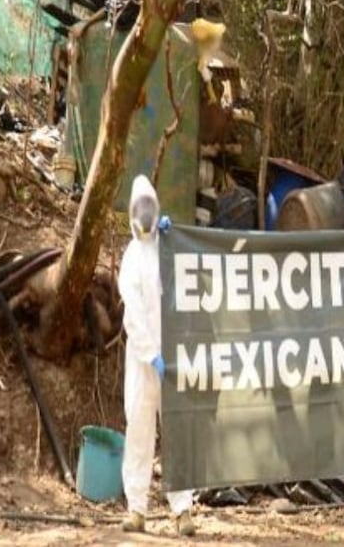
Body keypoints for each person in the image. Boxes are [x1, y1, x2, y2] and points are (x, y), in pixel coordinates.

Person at [118, 174, 195, 537]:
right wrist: (152, 354)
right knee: (139, 433)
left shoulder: (167, 249)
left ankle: (182, 511)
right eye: (141, 208)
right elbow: (132, 316)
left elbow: (187, 289)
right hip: (142, 363)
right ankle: (136, 509)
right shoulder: (130, 259)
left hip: (172, 358)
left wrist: (176, 238)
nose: (146, 215)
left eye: (150, 207)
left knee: (177, 434)